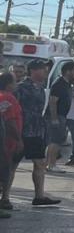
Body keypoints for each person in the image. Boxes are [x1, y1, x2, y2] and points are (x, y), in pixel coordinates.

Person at [14, 61, 58, 205]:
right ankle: (5, 196)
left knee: (40, 163)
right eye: (43, 69)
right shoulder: (20, 88)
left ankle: (39, 196)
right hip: (21, 131)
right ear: (33, 71)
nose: (46, 72)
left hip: (36, 132)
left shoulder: (41, 88)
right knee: (12, 165)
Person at [45, 62, 74, 172]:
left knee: (55, 141)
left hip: (62, 115)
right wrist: (54, 119)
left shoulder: (67, 84)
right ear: (67, 71)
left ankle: (48, 164)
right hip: (57, 116)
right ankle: (51, 164)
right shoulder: (59, 83)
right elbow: (53, 101)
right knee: (55, 141)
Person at [1, 72, 22, 214]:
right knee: (6, 170)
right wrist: (18, 140)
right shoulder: (9, 98)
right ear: (8, 84)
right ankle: (4, 198)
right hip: (8, 141)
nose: (16, 84)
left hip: (5, 139)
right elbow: (10, 121)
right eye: (14, 82)